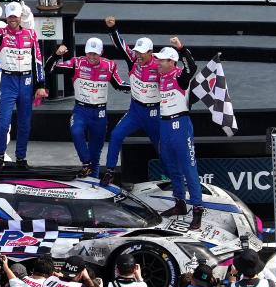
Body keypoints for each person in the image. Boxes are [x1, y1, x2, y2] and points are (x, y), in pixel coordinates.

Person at [46, 39, 129, 178]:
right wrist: (55, 54)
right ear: (85, 52)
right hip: (81, 110)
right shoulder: (76, 63)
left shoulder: (109, 65)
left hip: (100, 113)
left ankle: (93, 183)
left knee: (95, 153)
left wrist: (141, 86)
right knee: (76, 131)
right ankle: (85, 163)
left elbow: (119, 85)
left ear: (101, 53)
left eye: (95, 54)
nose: (91, 57)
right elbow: (49, 69)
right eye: (89, 53)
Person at [0, 0, 48, 168]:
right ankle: (0, 155)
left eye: (15, 17)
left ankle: (21, 158)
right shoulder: (0, 33)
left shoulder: (31, 34)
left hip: (26, 82)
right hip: (8, 82)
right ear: (6, 17)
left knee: (25, 124)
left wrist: (41, 84)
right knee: (3, 123)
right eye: (9, 17)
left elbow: (38, 61)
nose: (12, 20)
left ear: (20, 18)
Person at [101, 16, 161, 186]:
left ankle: (172, 178)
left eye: (142, 52)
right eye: (137, 51)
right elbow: (120, 45)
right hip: (135, 110)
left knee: (162, 147)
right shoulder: (133, 59)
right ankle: (110, 172)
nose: (139, 55)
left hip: (154, 112)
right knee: (116, 135)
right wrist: (113, 29)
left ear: (151, 52)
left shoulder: (159, 66)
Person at [153, 37, 204, 230]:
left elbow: (192, 68)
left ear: (172, 62)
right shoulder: (162, 76)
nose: (158, 62)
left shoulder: (180, 76)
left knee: (189, 170)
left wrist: (182, 48)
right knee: (171, 167)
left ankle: (197, 209)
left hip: (180, 125)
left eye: (162, 60)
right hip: (164, 125)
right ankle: (180, 204)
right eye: (158, 60)